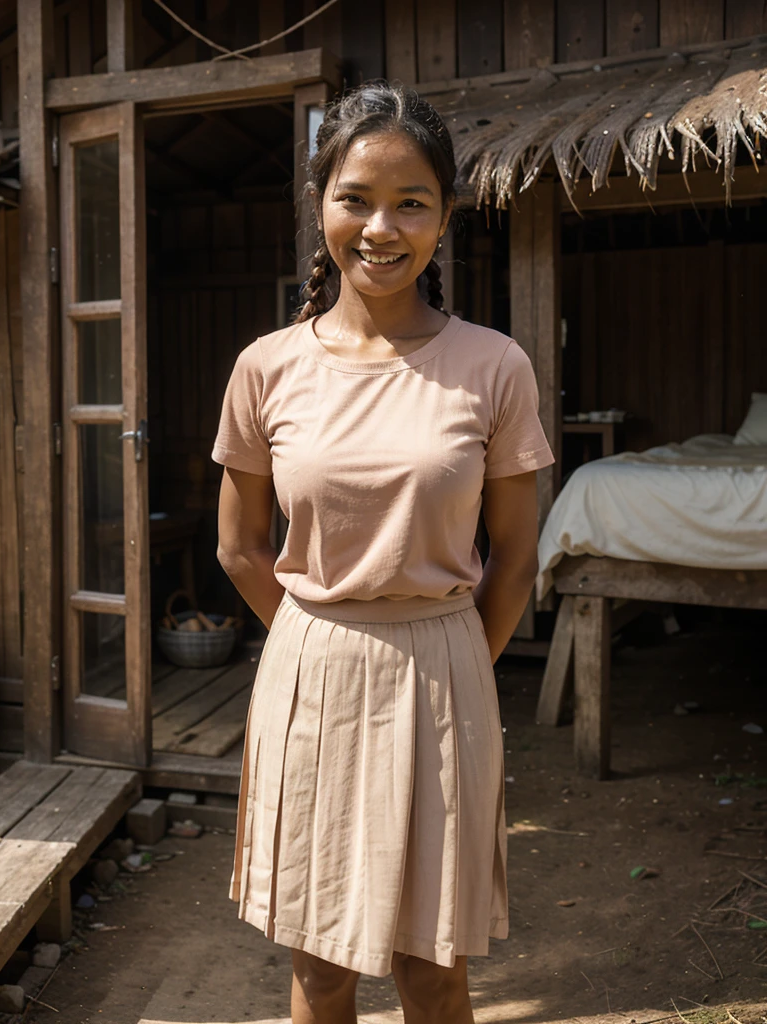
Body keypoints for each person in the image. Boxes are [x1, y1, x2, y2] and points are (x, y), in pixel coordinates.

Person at [212, 81, 554, 1024]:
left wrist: (449, 663)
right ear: (319, 202)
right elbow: (239, 549)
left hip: (445, 672)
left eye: (412, 203)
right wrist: (323, 648)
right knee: (320, 968)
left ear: (445, 218)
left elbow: (517, 558)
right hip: (309, 676)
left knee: (433, 967)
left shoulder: (494, 367)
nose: (381, 227)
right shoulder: (267, 367)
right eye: (356, 197)